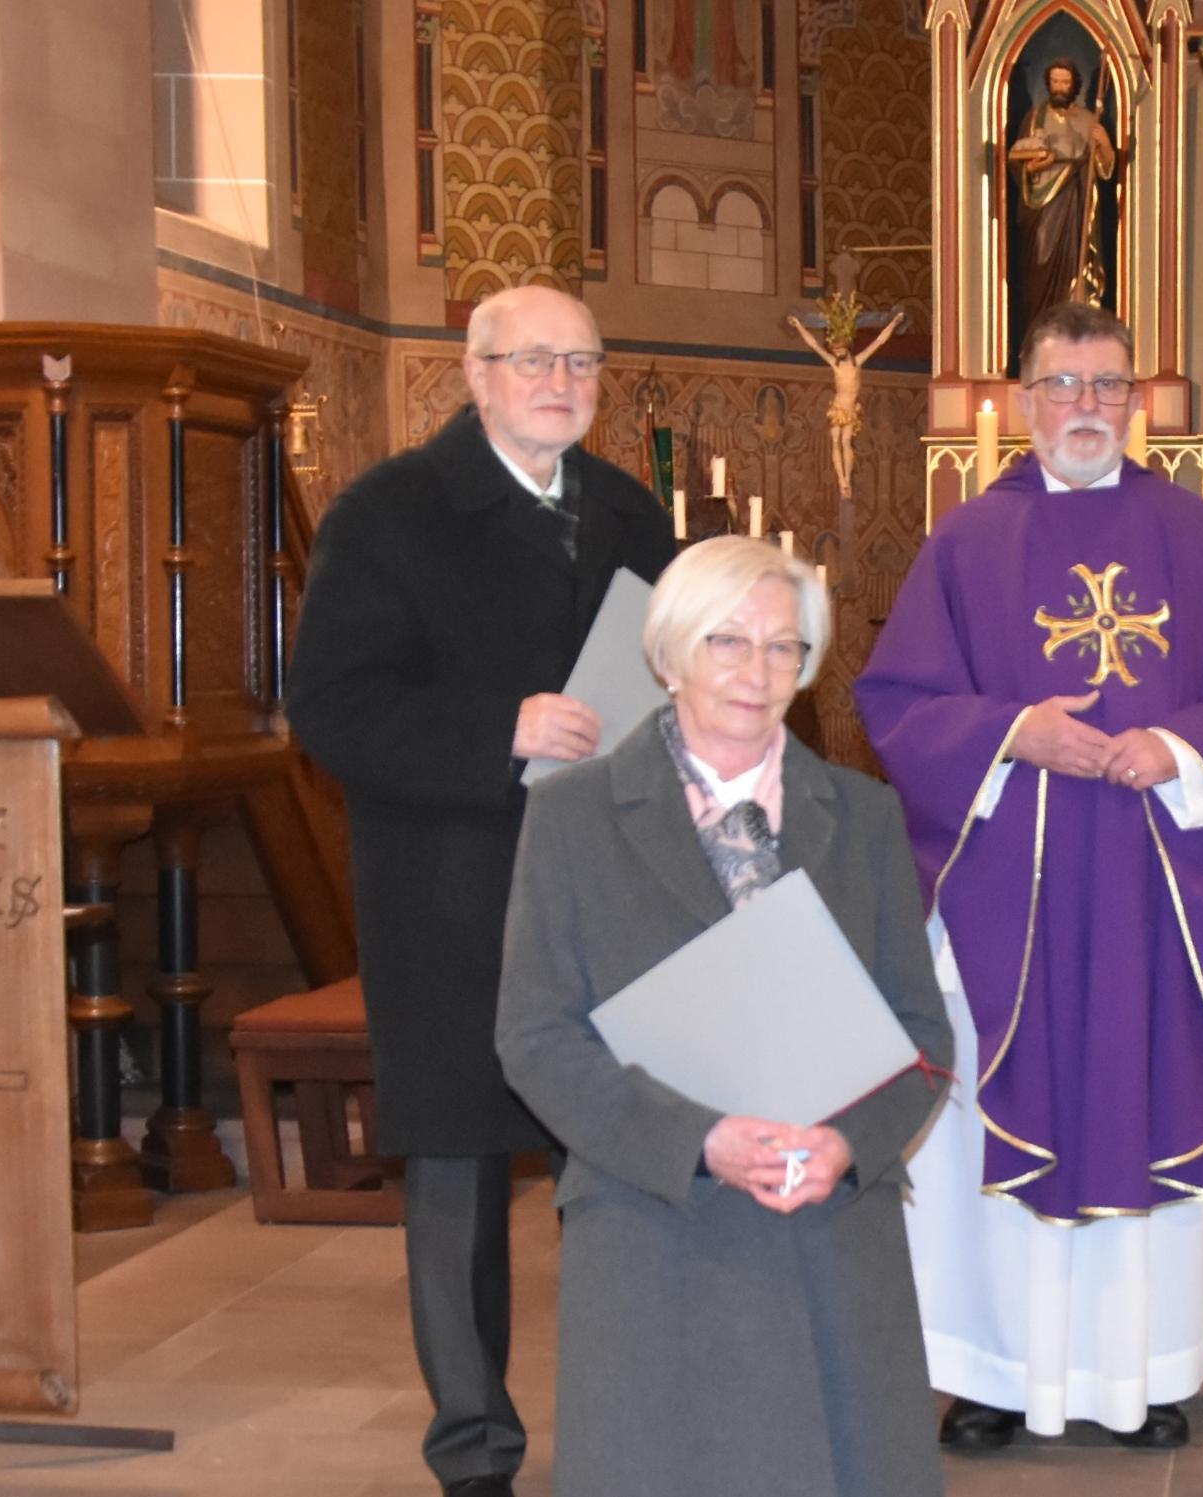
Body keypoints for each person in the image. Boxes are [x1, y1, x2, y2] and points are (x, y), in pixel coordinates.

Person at [855, 300, 1203, 1450]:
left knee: (1146, 1097)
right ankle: (999, 1375)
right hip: (1015, 892)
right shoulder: (964, 542)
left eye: (1107, 386)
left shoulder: (1202, 538)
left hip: (1161, 891)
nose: (1086, 409)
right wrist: (1011, 734)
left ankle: (1143, 1373)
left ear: (1137, 404)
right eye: (1062, 386)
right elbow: (897, 701)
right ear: (1021, 401)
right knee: (999, 1112)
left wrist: (1178, 747)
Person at [285, 285, 675, 1497]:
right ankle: (475, 1452)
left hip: (606, 888)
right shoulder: (392, 512)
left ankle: (628, 1420)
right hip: (455, 890)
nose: (560, 381)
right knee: (456, 1173)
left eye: (583, 361)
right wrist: (498, 731)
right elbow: (331, 707)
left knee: (611, 1164)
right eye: (533, 360)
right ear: (475, 372)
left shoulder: (627, 511)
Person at [494, 536, 953, 1496]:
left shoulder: (864, 817)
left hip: (829, 1230)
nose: (757, 672)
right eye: (727, 642)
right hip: (656, 1223)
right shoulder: (573, 817)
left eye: (784, 647)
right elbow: (534, 1035)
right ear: (668, 657)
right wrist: (700, 1141)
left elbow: (923, 1036)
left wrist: (846, 1144)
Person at [1009, 58, 1115, 327]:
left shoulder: (1089, 120)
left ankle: (1074, 328)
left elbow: (1104, 171)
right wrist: (1033, 166)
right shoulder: (1033, 118)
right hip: (1043, 207)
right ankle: (1040, 330)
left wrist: (1104, 145)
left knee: (1075, 268)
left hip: (1077, 205)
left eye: (1065, 82)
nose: (1059, 88)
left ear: (1074, 85)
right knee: (1040, 263)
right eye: (1055, 82)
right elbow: (1016, 165)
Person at [786, 290, 907, 498]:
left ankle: (846, 481)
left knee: (845, 442)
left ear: (846, 348)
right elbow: (813, 345)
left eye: (840, 350)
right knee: (835, 441)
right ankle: (841, 478)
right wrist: (799, 326)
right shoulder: (834, 364)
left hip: (850, 408)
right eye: (835, 350)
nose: (837, 353)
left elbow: (879, 342)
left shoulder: (856, 362)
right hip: (838, 406)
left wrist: (894, 323)